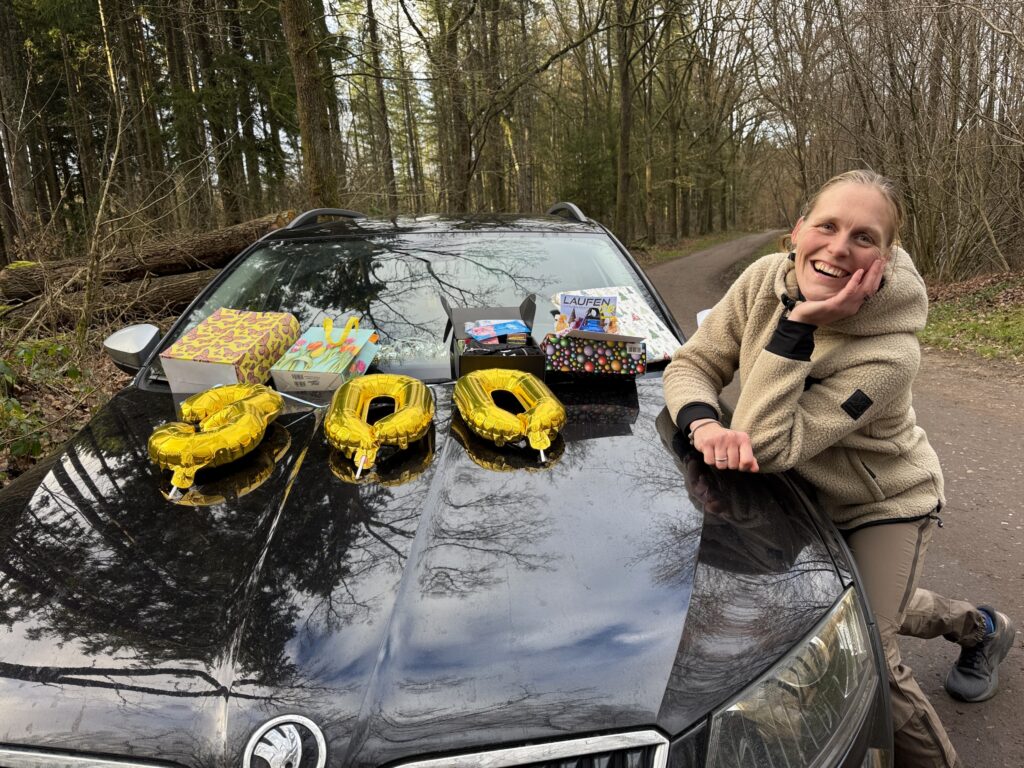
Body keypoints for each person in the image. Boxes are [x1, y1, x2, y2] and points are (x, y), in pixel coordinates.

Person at [662, 169, 1015, 768]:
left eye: (864, 236)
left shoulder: (891, 353)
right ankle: (981, 627)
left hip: (882, 502)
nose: (839, 247)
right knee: (850, 609)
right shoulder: (761, 280)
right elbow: (693, 363)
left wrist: (799, 324)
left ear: (886, 256)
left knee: (866, 655)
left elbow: (768, 443)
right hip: (794, 493)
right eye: (827, 226)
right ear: (798, 230)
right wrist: (702, 424)